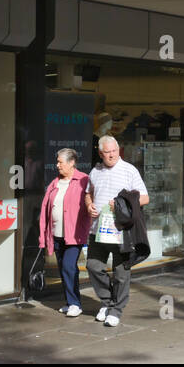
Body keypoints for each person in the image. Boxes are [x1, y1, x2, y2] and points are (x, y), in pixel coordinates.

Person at [86, 135, 150, 325]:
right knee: (93, 266)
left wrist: (123, 205)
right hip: (98, 229)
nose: (112, 155)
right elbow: (88, 194)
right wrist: (89, 205)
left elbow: (145, 198)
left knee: (121, 272)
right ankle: (106, 301)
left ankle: (116, 309)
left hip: (121, 230)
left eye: (114, 151)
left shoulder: (129, 170)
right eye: (107, 152)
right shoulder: (95, 171)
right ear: (100, 153)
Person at [39, 148, 90, 318]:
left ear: (71, 163)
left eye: (61, 162)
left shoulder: (83, 180)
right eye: (58, 161)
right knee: (63, 269)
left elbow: (90, 202)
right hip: (57, 233)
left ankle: (75, 303)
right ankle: (70, 302)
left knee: (69, 267)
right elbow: (46, 208)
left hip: (74, 234)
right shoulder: (54, 183)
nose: (57, 165)